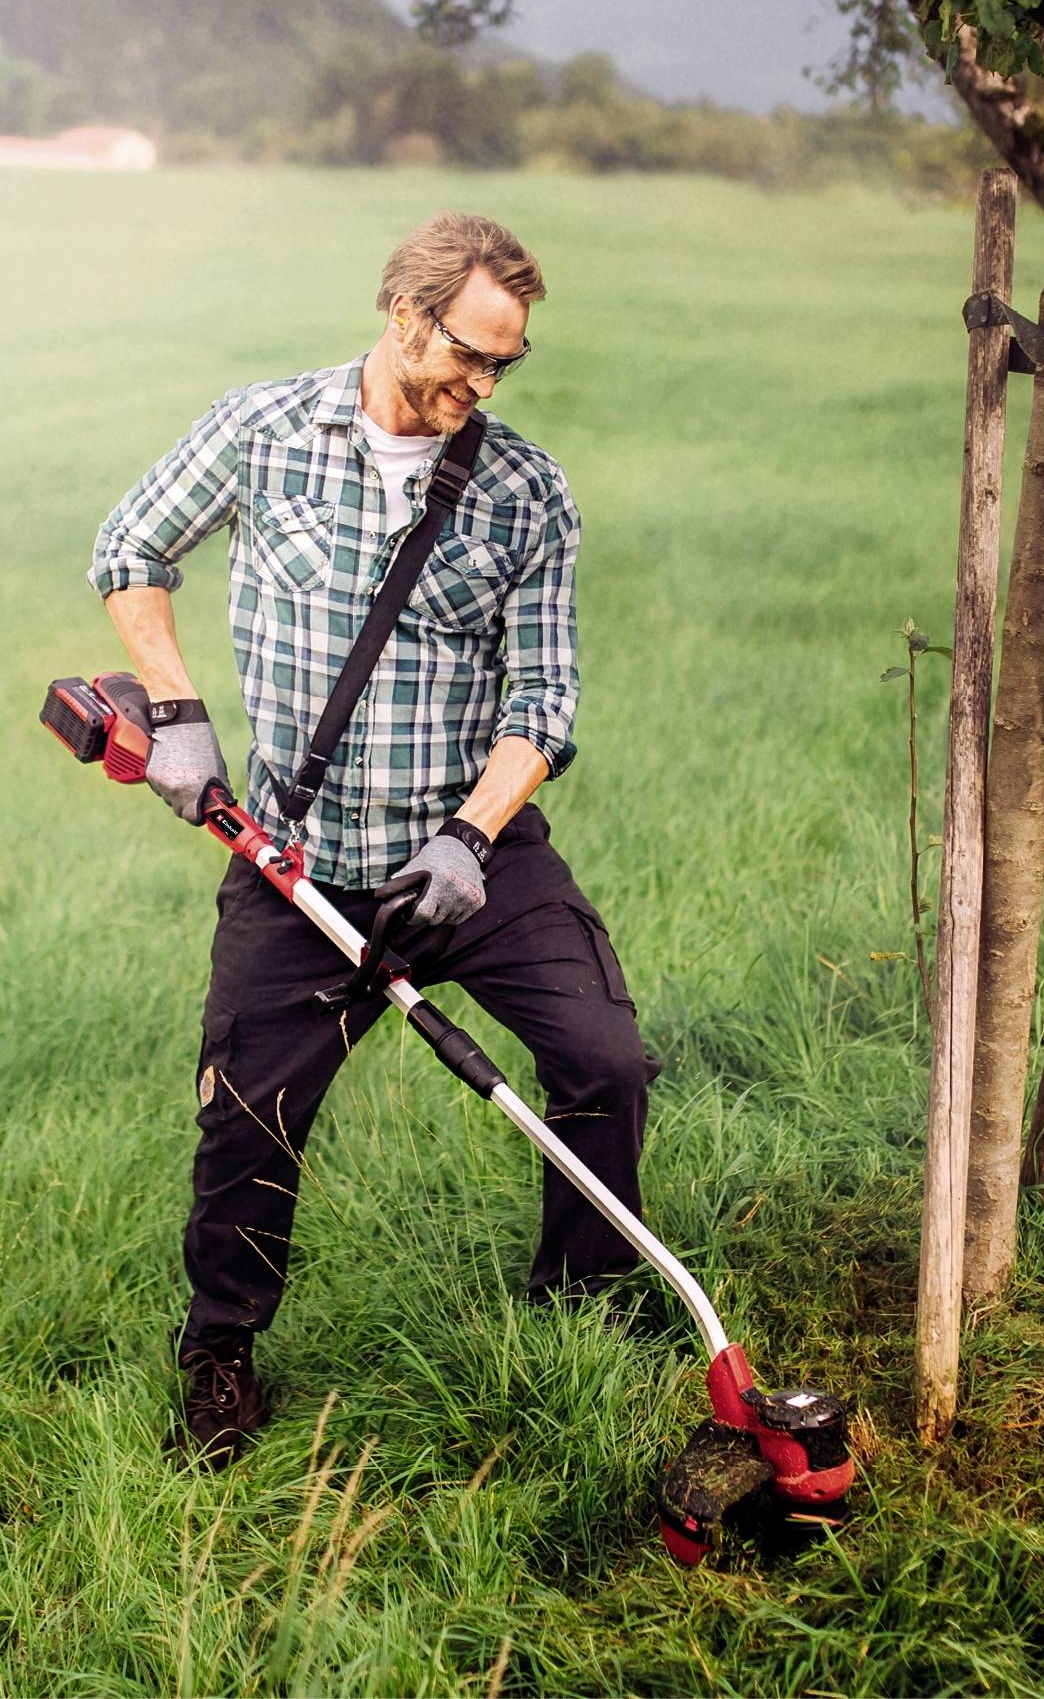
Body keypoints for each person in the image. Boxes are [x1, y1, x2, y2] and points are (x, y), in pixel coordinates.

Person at [90, 210, 658, 1467]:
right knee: (248, 1120)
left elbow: (544, 699)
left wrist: (466, 838)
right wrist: (177, 717)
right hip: (294, 860)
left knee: (605, 1064)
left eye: (507, 363)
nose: (483, 382)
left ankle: (578, 1309)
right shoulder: (265, 430)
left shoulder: (524, 489)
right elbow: (129, 547)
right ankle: (220, 1355)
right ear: (404, 313)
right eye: (469, 351)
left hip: (471, 857)